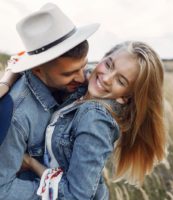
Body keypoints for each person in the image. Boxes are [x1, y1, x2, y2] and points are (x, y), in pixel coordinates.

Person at [21, 41, 166, 200]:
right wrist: (6, 82)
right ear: (102, 59)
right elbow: (25, 62)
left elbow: (77, 197)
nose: (106, 79)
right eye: (109, 65)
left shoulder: (95, 119)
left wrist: (31, 164)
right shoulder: (85, 84)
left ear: (125, 97)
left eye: (121, 81)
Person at [0, 3, 99, 200]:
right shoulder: (16, 116)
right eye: (68, 74)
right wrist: (57, 192)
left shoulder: (88, 82)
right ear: (37, 70)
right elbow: (3, 190)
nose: (82, 78)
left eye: (83, 66)